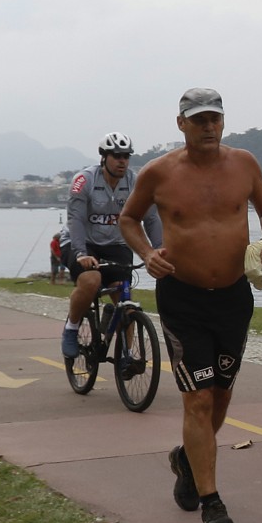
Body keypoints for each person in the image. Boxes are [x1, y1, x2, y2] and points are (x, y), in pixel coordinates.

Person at [118, 88, 262, 523]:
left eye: (215, 119)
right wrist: (147, 254)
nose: (209, 126)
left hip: (233, 298)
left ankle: (187, 460)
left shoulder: (244, 163)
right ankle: (212, 503)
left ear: (223, 122)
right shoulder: (157, 172)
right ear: (181, 123)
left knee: (222, 396)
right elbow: (129, 219)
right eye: (199, 119)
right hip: (182, 299)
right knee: (199, 398)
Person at [61, 133, 163, 359]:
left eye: (126, 156)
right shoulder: (84, 180)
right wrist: (80, 253)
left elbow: (152, 218)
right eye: (116, 156)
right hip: (81, 241)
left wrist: (159, 250)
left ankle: (126, 354)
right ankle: (72, 328)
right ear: (104, 158)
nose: (122, 161)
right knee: (91, 280)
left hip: (115, 243)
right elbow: (75, 219)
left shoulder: (135, 183)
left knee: (124, 298)